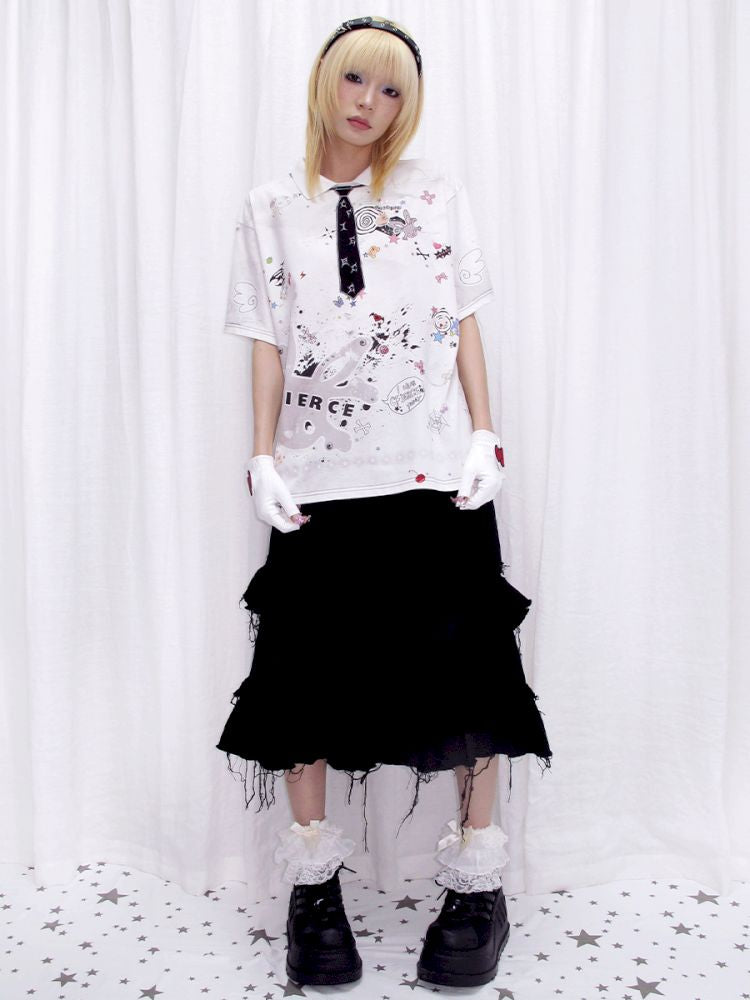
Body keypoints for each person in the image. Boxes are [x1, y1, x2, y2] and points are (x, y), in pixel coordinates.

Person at [216, 14, 552, 988]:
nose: (370, 103)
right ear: (325, 81)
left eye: (393, 89)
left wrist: (485, 432)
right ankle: (313, 887)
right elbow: (268, 337)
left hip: (432, 472)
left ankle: (478, 882)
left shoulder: (435, 192)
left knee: (471, 674)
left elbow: (462, 318)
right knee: (302, 678)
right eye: (357, 80)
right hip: (319, 481)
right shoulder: (269, 206)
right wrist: (262, 455)